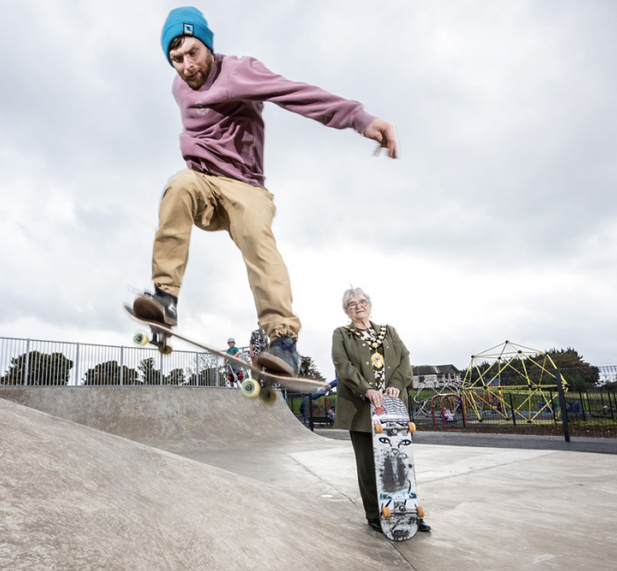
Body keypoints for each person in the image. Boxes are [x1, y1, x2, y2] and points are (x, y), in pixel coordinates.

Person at [132, 7, 399, 378]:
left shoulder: (240, 71)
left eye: (193, 53)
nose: (187, 66)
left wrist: (359, 118)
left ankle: (283, 341)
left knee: (258, 237)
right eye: (176, 59)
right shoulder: (179, 87)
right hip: (203, 185)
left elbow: (295, 94)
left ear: (208, 45)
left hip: (246, 188)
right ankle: (165, 297)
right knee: (178, 185)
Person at [331, 287, 430, 534]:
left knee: (400, 461)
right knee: (368, 465)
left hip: (393, 408)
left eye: (362, 301)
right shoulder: (342, 334)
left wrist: (396, 385)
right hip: (362, 407)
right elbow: (343, 365)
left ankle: (407, 513)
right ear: (346, 310)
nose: (358, 306)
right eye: (352, 304)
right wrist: (366, 389)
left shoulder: (389, 331)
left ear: (370, 305)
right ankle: (375, 514)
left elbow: (405, 359)